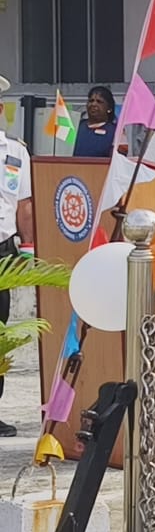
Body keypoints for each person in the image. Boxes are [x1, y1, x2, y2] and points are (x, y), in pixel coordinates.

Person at [0, 73, 33, 437]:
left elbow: (24, 205)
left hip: (2, 252)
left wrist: (29, 247)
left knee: (0, 334)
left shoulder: (15, 152)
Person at [72, 86, 119, 158]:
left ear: (109, 108)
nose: (93, 104)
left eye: (99, 102)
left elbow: (119, 158)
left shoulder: (117, 131)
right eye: (91, 101)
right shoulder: (75, 126)